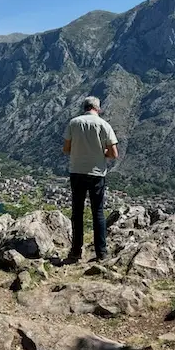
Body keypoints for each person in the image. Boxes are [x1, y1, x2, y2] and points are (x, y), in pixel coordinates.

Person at [62, 96, 118, 263]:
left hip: (77, 171)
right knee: (98, 212)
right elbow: (114, 153)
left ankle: (75, 251)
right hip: (97, 173)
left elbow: (66, 149)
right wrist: (101, 153)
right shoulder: (104, 125)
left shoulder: (74, 123)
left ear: (84, 107)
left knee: (77, 212)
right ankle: (101, 252)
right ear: (97, 108)